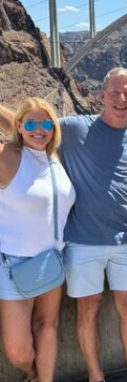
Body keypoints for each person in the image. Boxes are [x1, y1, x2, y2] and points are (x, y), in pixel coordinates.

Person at [0, 67, 127, 382]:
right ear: (101, 95)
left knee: (122, 310)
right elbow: (27, 120)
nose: (121, 99)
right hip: (62, 248)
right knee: (73, 319)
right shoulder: (69, 130)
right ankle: (83, 377)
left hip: (101, 246)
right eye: (114, 92)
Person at [0, 98, 76, 382]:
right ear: (19, 127)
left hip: (51, 260)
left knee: (47, 327)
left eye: (46, 124)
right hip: (13, 264)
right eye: (31, 124)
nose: (39, 130)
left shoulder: (54, 156)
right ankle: (31, 372)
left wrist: (29, 121)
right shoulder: (7, 156)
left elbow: (21, 121)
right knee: (18, 350)